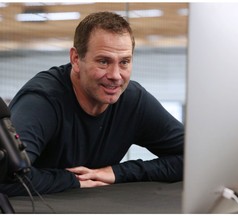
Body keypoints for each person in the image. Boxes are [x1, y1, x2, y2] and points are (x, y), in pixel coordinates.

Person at [0, 11, 184, 196]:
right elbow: (6, 178)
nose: (115, 75)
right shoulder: (41, 101)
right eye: (103, 62)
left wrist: (117, 172)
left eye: (124, 62)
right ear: (76, 60)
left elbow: (196, 159)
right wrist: (72, 180)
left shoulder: (133, 100)